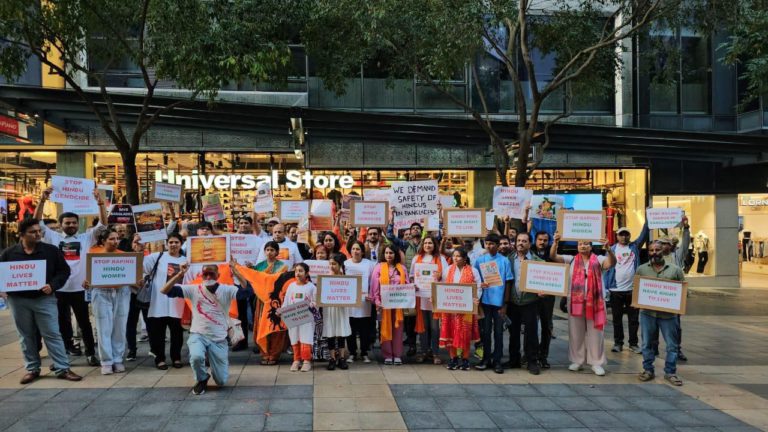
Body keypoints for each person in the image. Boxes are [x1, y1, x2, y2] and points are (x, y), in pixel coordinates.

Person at [0, 218, 82, 384]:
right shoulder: (9, 253)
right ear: (22, 235)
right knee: (26, 335)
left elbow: (63, 272)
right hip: (18, 301)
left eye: (39, 231)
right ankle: (32, 368)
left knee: (52, 333)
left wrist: (52, 286)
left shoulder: (50, 251)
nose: (38, 234)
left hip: (44, 299)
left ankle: (62, 368)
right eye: (33, 232)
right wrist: (2, 289)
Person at [34, 187, 105, 367]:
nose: (71, 225)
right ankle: (64, 354)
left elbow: (103, 225)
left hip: (80, 289)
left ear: (78, 224)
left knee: (84, 323)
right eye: (67, 223)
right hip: (59, 289)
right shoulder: (53, 237)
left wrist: (100, 202)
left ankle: (90, 353)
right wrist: (42, 200)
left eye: (74, 222)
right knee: (60, 324)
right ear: (61, 224)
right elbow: (36, 222)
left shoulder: (86, 238)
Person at [161, 260, 253, 395]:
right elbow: (165, 290)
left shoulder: (227, 290)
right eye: (205, 274)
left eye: (211, 274)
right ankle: (202, 378)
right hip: (199, 334)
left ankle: (217, 365)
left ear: (218, 275)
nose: (208, 277)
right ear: (201, 275)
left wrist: (236, 271)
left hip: (219, 338)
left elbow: (247, 292)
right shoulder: (193, 289)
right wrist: (180, 273)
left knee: (221, 381)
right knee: (196, 357)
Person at [550, 232, 616, 376]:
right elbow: (553, 257)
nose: (583, 246)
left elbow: (611, 263)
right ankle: (577, 360)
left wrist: (609, 249)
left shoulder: (598, 259)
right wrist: (556, 242)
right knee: (575, 332)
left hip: (596, 302)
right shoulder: (572, 259)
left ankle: (596, 362)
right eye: (580, 244)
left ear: (591, 247)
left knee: (596, 333)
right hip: (575, 302)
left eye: (586, 243)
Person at [82, 228, 137, 375]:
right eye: (112, 239)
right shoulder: (93, 254)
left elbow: (133, 278)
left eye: (117, 238)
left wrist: (137, 280)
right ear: (103, 241)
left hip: (121, 292)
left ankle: (118, 359)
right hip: (101, 292)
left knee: (120, 326)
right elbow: (88, 276)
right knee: (103, 327)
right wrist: (86, 282)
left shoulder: (124, 256)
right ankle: (106, 361)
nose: (115, 241)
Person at [637, 240, 685, 386]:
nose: (654, 253)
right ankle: (648, 370)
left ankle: (670, 372)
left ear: (663, 250)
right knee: (646, 344)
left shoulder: (675, 270)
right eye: (651, 250)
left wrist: (679, 309)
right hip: (647, 313)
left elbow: (683, 291)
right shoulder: (642, 269)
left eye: (657, 250)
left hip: (668, 315)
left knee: (672, 345)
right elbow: (637, 289)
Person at [142, 233, 187, 370]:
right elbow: (141, 266)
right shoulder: (157, 257)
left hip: (177, 303)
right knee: (157, 333)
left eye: (176, 242)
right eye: (171, 242)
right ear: (167, 244)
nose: (173, 245)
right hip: (158, 302)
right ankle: (159, 359)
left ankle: (176, 357)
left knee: (177, 334)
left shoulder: (186, 260)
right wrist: (139, 248)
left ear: (181, 244)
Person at [603, 224, 648, 354]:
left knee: (634, 319)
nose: (623, 237)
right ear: (617, 236)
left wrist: (647, 218)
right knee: (617, 319)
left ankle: (633, 343)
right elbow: (607, 268)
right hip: (615, 290)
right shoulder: (611, 249)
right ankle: (618, 343)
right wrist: (606, 287)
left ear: (629, 236)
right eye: (621, 234)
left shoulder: (634, 247)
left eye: (626, 234)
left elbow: (644, 234)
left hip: (632, 290)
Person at [473, 233, 514, 374]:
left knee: (498, 333)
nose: (489, 246)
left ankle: (497, 361)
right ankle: (485, 359)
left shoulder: (504, 261)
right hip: (484, 302)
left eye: (492, 243)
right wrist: (480, 285)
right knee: (485, 332)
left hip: (498, 303)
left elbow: (508, 282)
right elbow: (475, 280)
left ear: (497, 245)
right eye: (487, 243)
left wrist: (505, 305)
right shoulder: (480, 260)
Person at [506, 232, 544, 375]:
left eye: (524, 241)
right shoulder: (508, 259)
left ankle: (532, 361)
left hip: (530, 302)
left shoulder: (538, 262)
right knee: (513, 332)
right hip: (513, 302)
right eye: (519, 240)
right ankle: (514, 359)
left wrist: (542, 291)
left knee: (531, 333)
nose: (521, 243)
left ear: (530, 243)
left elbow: (545, 283)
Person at [440, 248, 482, 371]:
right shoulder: (448, 270)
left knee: (465, 334)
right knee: (451, 333)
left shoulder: (473, 270)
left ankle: (465, 359)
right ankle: (453, 358)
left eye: (458, 256)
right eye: (454, 256)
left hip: (466, 308)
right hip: (450, 308)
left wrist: (476, 298)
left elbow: (478, 287)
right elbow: (441, 287)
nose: (455, 258)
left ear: (464, 259)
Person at [410, 235, 449, 364]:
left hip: (434, 298)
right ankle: (424, 351)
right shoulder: (417, 258)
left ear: (434, 245)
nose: (427, 245)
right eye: (425, 243)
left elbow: (446, 278)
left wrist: (439, 277)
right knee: (423, 326)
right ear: (422, 245)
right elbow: (411, 276)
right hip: (421, 297)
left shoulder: (441, 259)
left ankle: (435, 353)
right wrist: (413, 283)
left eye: (430, 243)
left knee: (435, 328)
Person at [370, 244, 410, 365]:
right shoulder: (378, 267)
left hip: (398, 305)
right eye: (386, 253)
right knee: (384, 327)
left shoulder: (401, 268)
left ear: (395, 254)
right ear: (383, 254)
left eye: (391, 253)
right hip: (383, 305)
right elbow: (374, 287)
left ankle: (397, 355)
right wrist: (377, 302)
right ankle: (387, 355)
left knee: (398, 329)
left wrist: (414, 289)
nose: (389, 255)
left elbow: (407, 285)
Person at [280, 263, 317, 372]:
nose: (298, 273)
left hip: (306, 318)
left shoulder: (311, 287)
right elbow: (286, 301)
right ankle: (296, 360)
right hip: (293, 318)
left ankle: (306, 361)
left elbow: (315, 303)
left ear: (307, 273)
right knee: (294, 337)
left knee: (306, 337)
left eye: (301, 271)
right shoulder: (291, 286)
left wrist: (309, 306)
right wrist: (282, 311)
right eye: (296, 271)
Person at [344, 240, 376, 363]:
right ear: (350, 251)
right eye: (353, 249)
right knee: (350, 329)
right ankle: (352, 353)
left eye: (358, 249)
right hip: (349, 303)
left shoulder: (370, 264)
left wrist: (372, 295)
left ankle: (364, 352)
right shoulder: (345, 264)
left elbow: (374, 282)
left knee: (365, 330)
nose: (355, 251)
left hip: (365, 303)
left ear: (362, 252)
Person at [123, 233, 149, 362]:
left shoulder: (150, 257)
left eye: (140, 242)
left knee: (149, 322)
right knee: (131, 323)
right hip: (131, 294)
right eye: (135, 242)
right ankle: (132, 349)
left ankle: (155, 349)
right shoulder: (126, 257)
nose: (138, 245)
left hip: (146, 294)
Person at [323, 254, 352, 370]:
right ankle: (332, 358)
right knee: (330, 332)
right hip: (329, 308)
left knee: (341, 332)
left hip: (341, 308)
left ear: (340, 265)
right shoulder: (324, 278)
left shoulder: (346, 279)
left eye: (334, 264)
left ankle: (341, 357)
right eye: (330, 264)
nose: (331, 266)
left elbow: (351, 294)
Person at [532, 231, 555, 369]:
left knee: (546, 327)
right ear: (535, 240)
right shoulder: (530, 252)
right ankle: (530, 354)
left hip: (548, 297)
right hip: (532, 296)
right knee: (531, 327)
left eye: (545, 240)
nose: (542, 242)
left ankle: (543, 356)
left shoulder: (553, 254)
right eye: (540, 239)